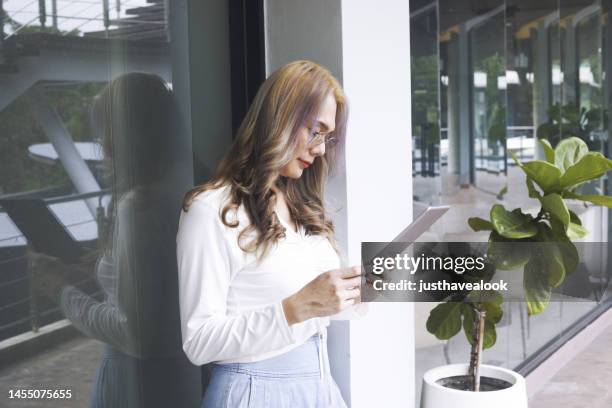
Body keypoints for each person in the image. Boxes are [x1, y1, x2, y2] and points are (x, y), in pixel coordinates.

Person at [176, 60, 361, 407]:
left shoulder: (303, 205)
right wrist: (293, 309)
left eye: (328, 136)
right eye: (315, 130)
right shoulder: (210, 209)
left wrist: (354, 291)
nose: (321, 149)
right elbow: (198, 341)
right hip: (252, 392)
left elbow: (319, 310)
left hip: (320, 385)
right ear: (280, 119)